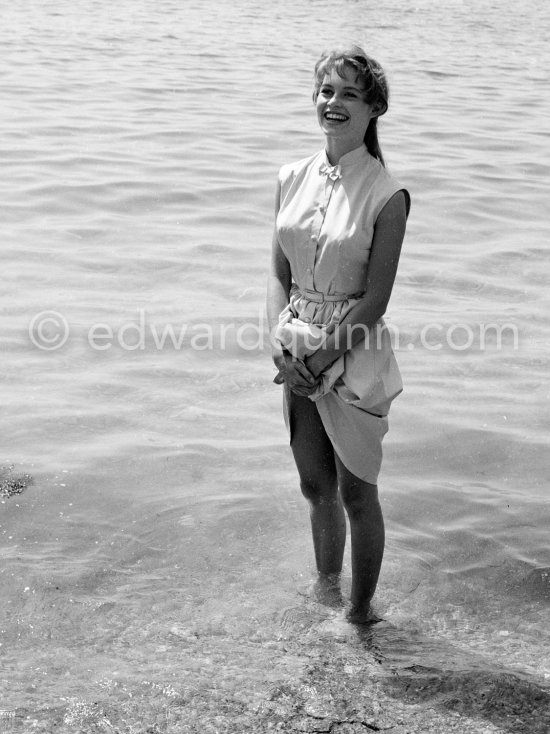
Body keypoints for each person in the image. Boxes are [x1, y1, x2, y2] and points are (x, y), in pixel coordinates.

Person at [266, 46, 410, 624]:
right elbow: (277, 272)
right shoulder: (289, 176)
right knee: (313, 486)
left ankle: (359, 614)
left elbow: (376, 300)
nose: (334, 103)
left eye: (350, 93)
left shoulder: (388, 194)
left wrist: (323, 356)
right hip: (294, 347)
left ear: (374, 108)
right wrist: (278, 343)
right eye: (327, 91)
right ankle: (326, 592)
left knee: (356, 494)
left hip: (354, 356)